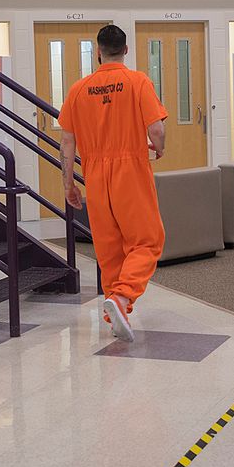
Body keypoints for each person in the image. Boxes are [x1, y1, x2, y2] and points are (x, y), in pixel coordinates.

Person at [58, 24, 167, 342]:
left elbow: (66, 143)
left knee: (110, 251)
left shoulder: (78, 89)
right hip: (130, 170)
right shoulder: (137, 81)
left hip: (95, 174)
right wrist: (158, 150)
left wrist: (68, 184)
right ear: (126, 50)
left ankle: (114, 313)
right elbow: (157, 131)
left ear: (97, 51)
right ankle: (121, 298)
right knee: (147, 241)